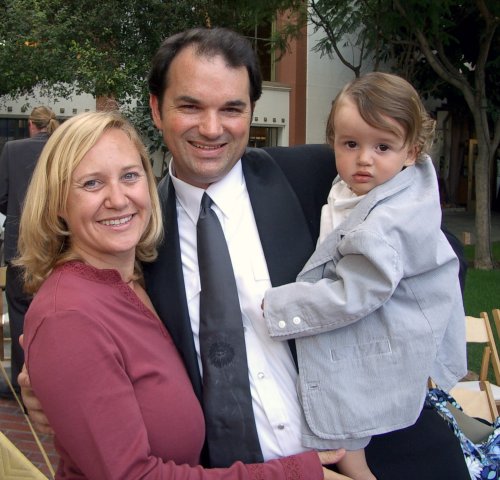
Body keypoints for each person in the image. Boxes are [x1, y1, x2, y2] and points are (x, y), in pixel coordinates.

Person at [20, 28, 471, 480]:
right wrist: (52, 383)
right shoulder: (135, 240)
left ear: (251, 112)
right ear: (157, 109)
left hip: (384, 456)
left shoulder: (323, 177)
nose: (212, 128)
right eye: (191, 106)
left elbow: (436, 254)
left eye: (232, 109)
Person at [17, 110, 344, 479]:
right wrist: (295, 474)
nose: (118, 198)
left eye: (129, 176)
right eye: (92, 184)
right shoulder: (69, 315)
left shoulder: (139, 278)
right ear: (58, 202)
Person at [262, 72, 467, 479]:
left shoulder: (388, 222)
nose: (364, 159)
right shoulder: (358, 188)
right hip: (403, 311)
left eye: (383, 147)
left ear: (412, 152)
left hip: (402, 319)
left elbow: (354, 294)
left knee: (349, 384)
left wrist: (276, 306)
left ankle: (356, 464)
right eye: (350, 144)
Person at [0, 106, 59, 391]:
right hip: (59, 245)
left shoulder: (13, 149)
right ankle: (52, 381)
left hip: (20, 246)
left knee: (20, 312)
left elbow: (1, 197)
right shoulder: (62, 147)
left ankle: (23, 386)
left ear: (30, 125)